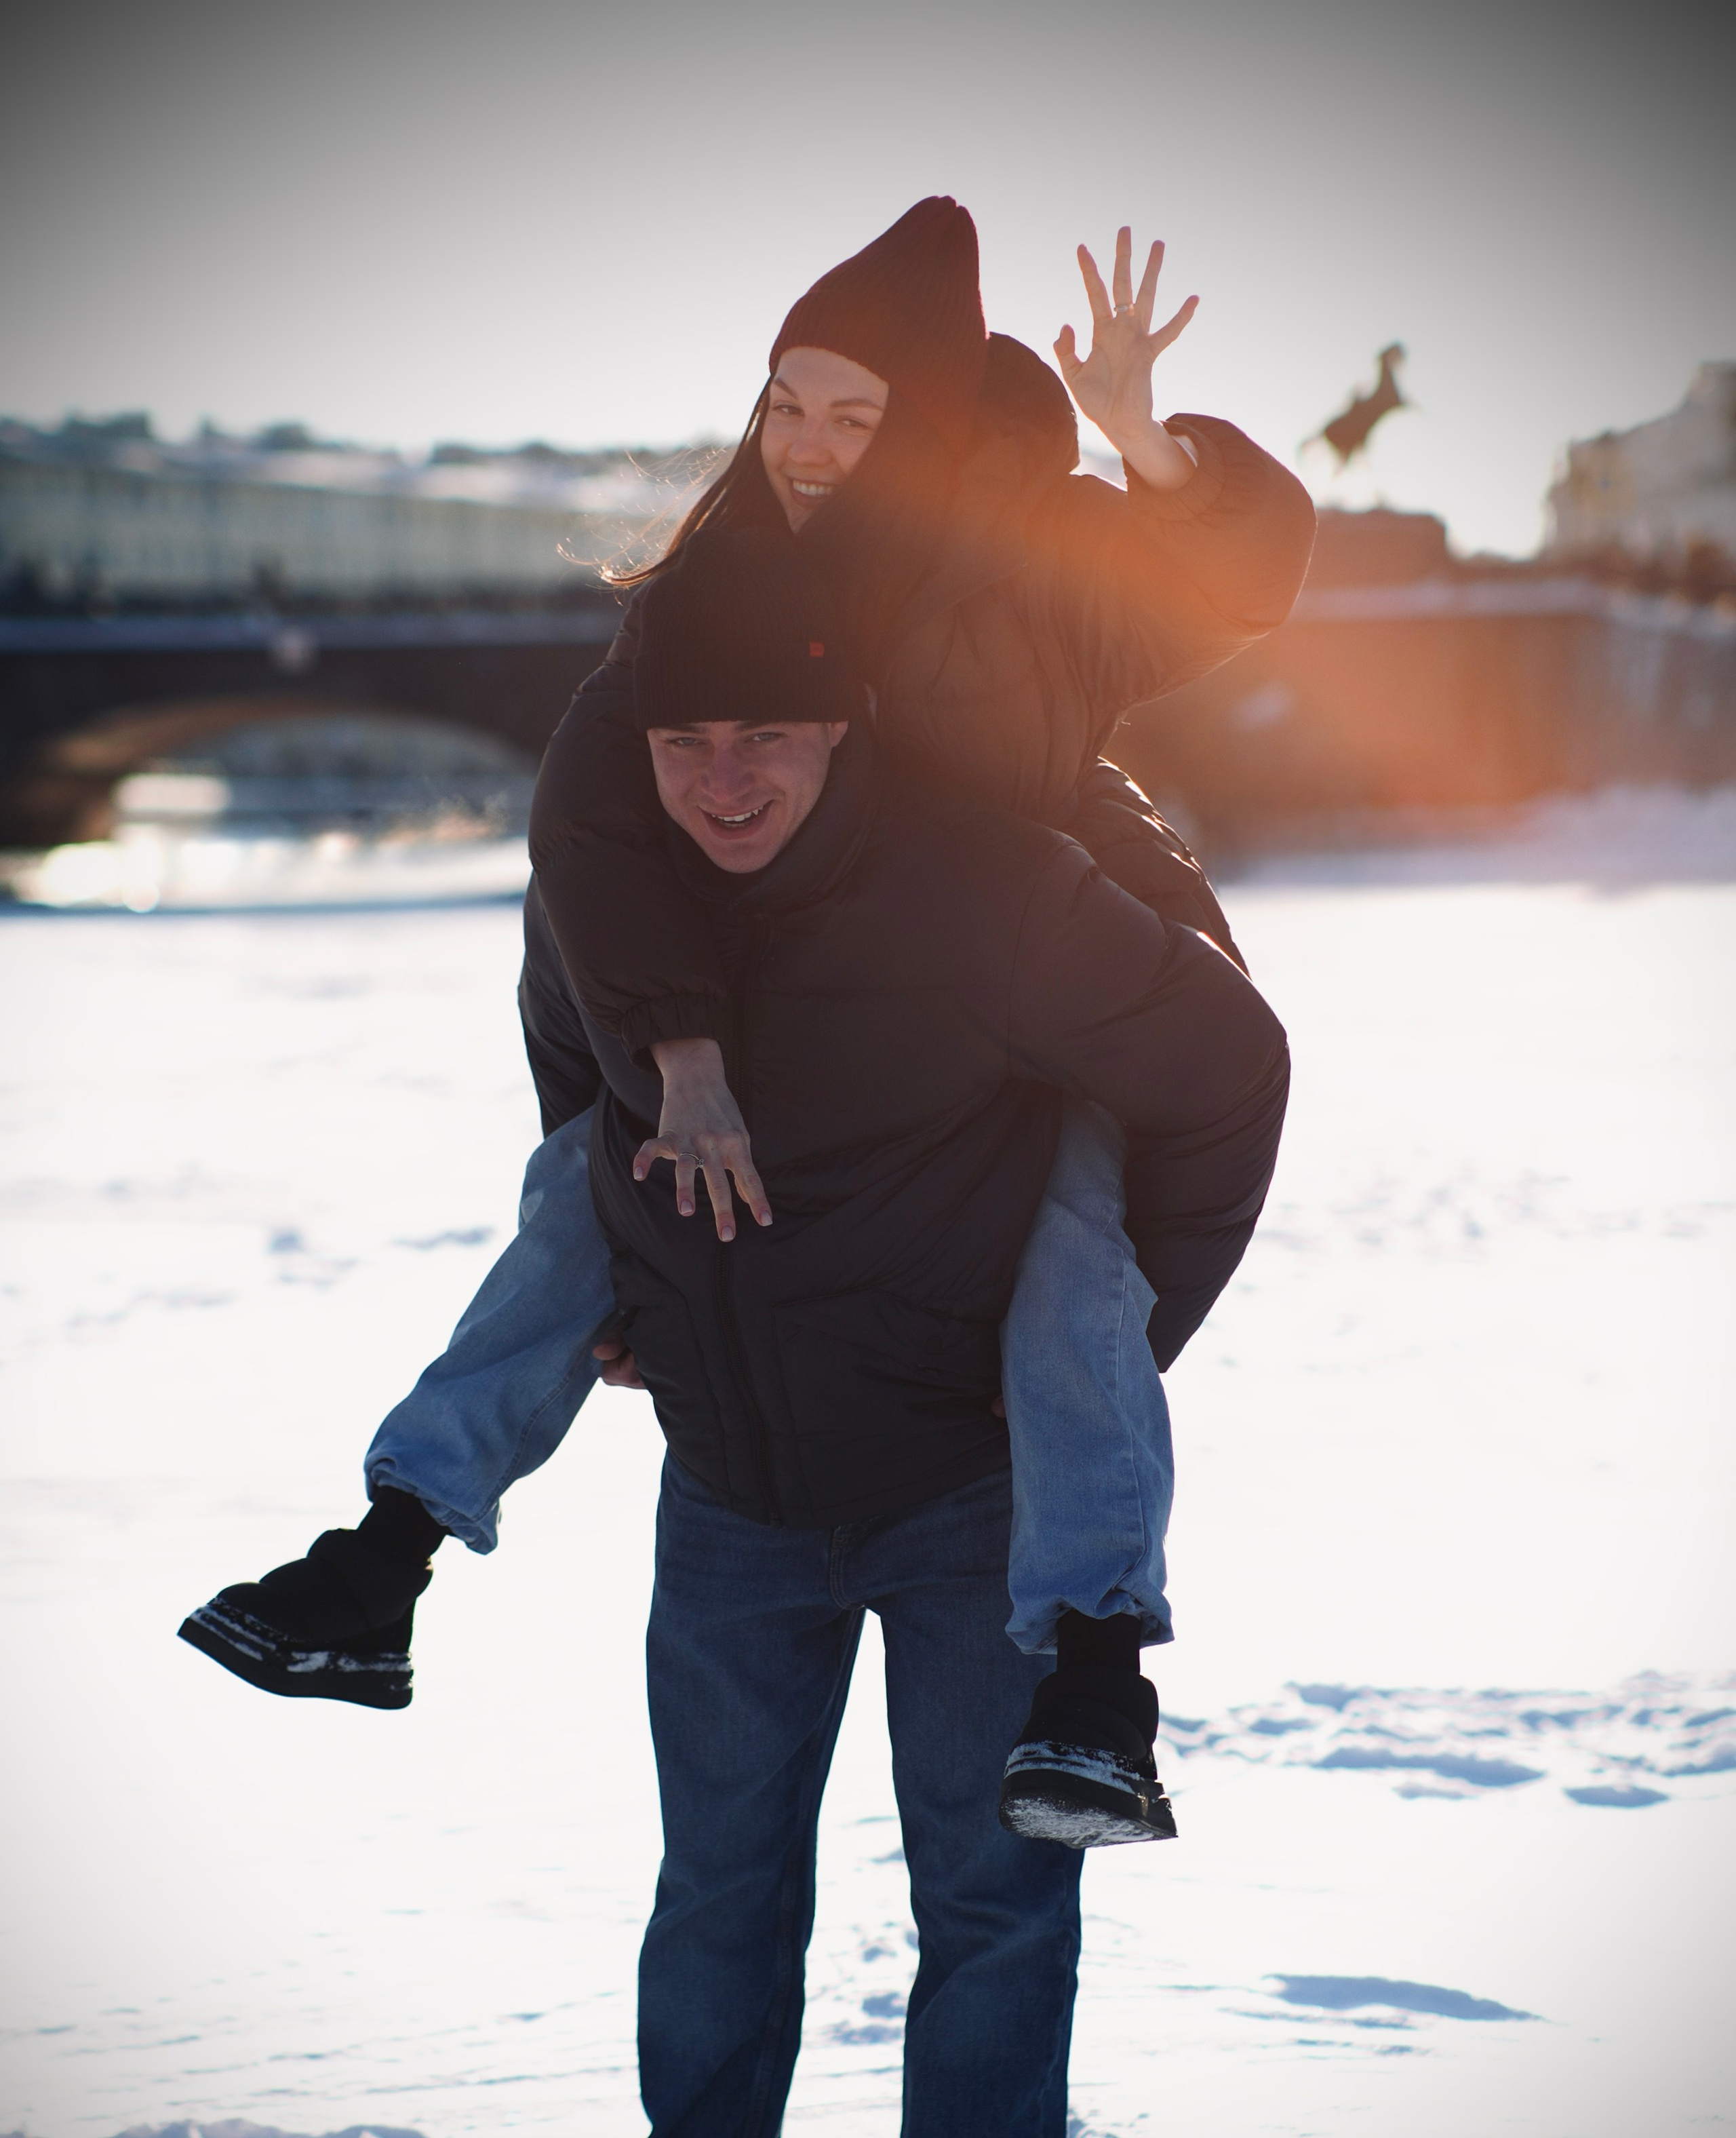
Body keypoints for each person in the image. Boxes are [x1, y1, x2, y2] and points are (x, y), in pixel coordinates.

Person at [179, 198, 1311, 1841]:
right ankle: (380, 1560)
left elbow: (1216, 589)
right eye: (787, 400)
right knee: (596, 1178)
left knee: (1072, 1238)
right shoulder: (717, 582)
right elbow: (587, 834)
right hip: (776, 987)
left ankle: (1095, 1671)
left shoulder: (1024, 553)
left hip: (1024, 985)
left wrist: (1154, 452)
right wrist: (664, 1061)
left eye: (856, 415)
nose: (806, 444)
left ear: (918, 429)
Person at [500, 525, 1288, 2138]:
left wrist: (1097, 1342)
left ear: (848, 725)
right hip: (737, 1490)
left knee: (994, 1910)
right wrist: (646, 1285)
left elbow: (1225, 1067)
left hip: (961, 1492)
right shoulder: (607, 892)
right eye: (688, 737)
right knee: (715, 1903)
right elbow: (566, 1072)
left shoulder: (994, 895)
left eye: (772, 729)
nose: (727, 778)